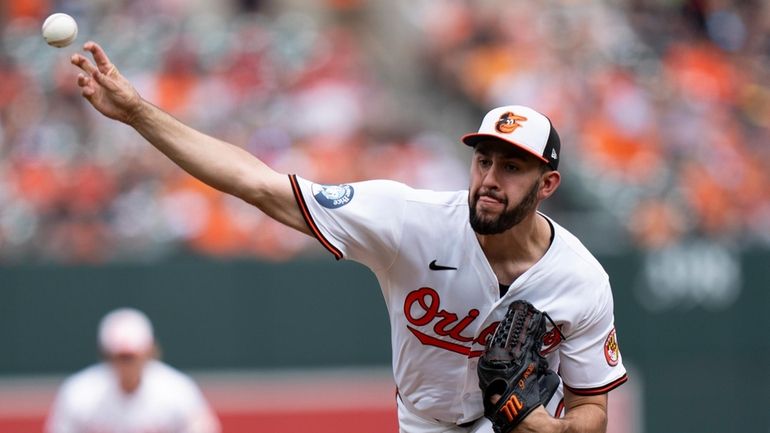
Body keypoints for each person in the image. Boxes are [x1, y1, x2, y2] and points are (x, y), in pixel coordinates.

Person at [69, 41, 628, 433]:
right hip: (424, 421)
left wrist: (539, 426)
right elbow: (258, 185)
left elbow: (592, 410)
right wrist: (139, 114)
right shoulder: (409, 221)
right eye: (484, 159)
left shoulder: (579, 280)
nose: (489, 178)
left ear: (547, 184)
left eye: (512, 168)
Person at [45, 307, 221, 433]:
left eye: (131, 357)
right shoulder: (79, 393)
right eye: (120, 357)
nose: (126, 365)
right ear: (106, 355)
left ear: (149, 352)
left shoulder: (177, 391)